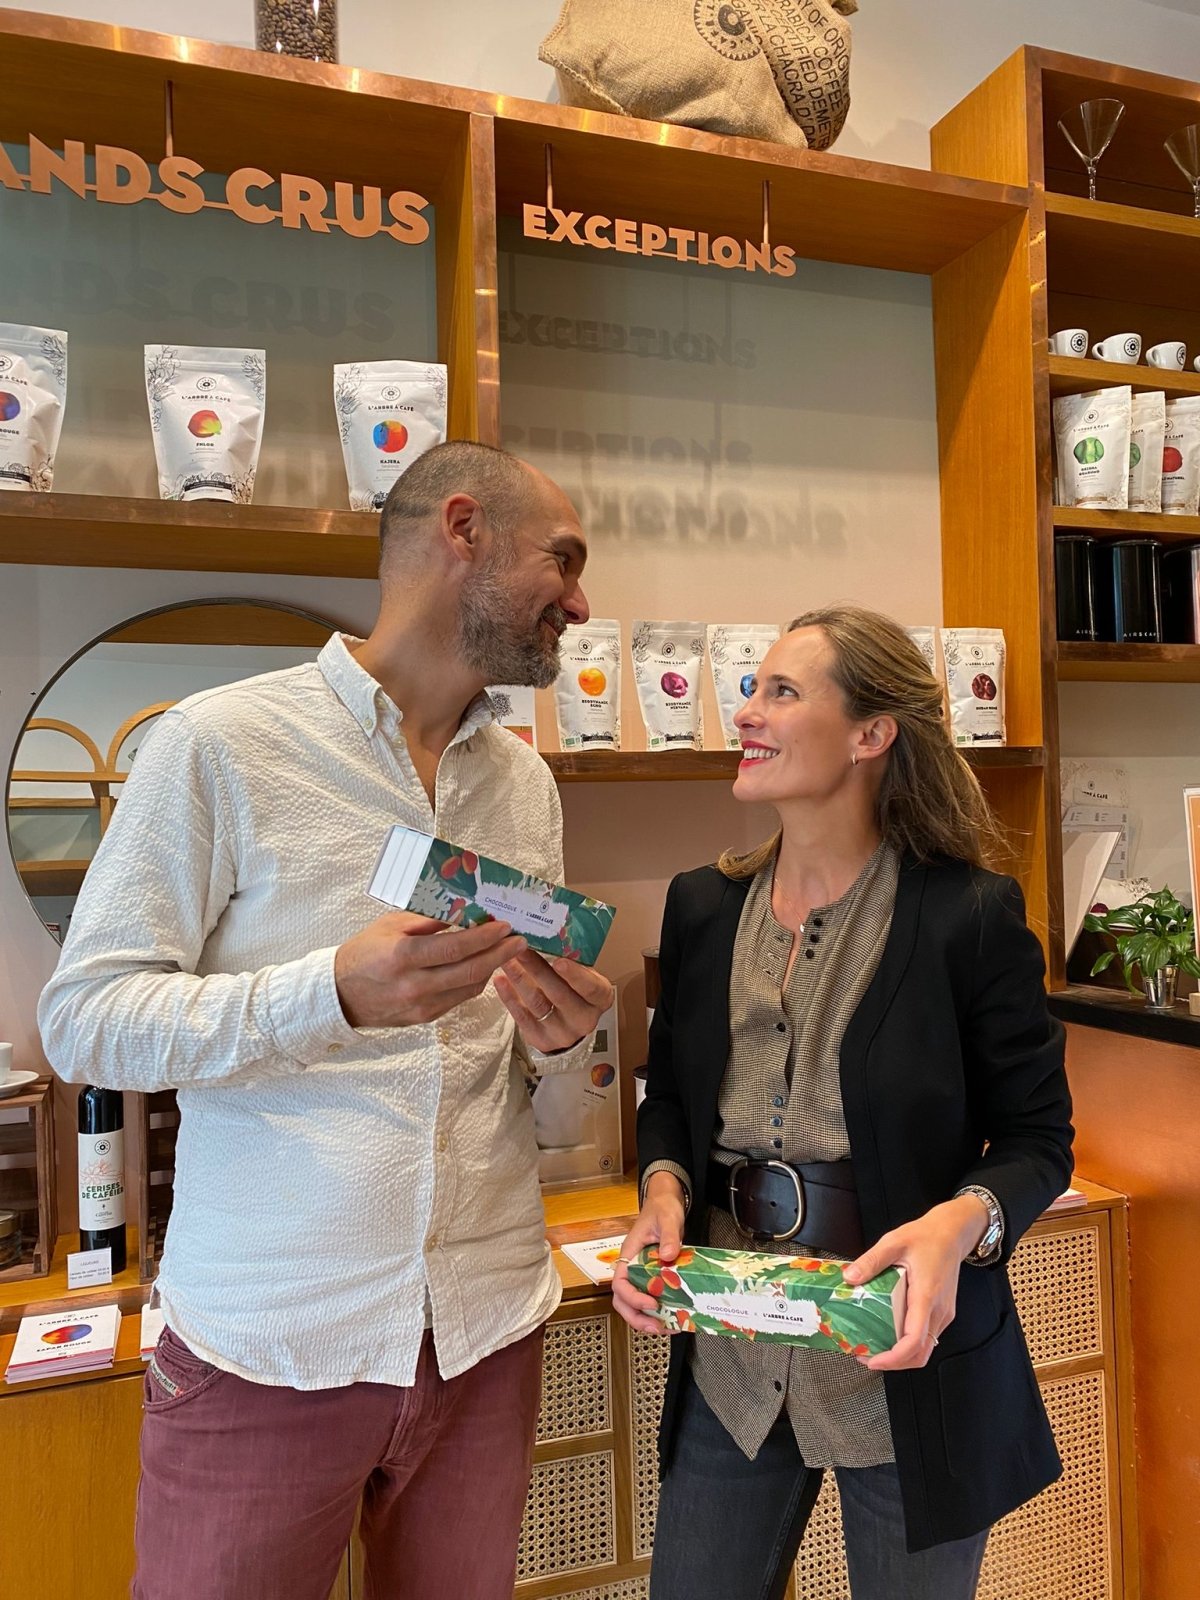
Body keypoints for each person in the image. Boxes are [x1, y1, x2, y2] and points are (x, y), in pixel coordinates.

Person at [38, 441, 614, 1600]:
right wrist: (331, 994)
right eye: (564, 559)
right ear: (463, 529)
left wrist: (564, 1050)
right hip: (270, 1344)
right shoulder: (219, 743)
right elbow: (86, 1020)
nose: (581, 602)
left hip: (486, 1331)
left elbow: (535, 1102)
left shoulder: (527, 786)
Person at [612, 604, 1073, 1600]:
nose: (747, 711)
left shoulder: (969, 916)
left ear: (871, 735)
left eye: (782, 692)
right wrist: (662, 1191)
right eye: (752, 688)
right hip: (733, 1353)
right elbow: (671, 1098)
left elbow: (1038, 1140)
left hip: (906, 1359)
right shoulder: (702, 906)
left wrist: (961, 1221)